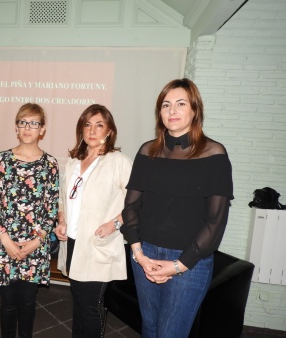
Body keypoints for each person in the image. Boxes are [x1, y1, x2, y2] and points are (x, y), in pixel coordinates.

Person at [120, 78, 233, 338]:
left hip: (189, 260)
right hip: (144, 254)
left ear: (194, 110)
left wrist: (180, 265)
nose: (172, 111)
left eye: (180, 104)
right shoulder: (147, 151)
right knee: (149, 328)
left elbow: (216, 222)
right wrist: (138, 252)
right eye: (166, 105)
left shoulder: (214, 154)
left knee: (171, 333)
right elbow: (131, 206)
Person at [55, 104, 132, 338]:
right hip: (73, 243)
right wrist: (61, 220)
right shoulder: (73, 162)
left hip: (98, 244)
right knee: (78, 304)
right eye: (87, 125)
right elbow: (63, 199)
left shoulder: (118, 161)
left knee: (89, 307)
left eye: (99, 125)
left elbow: (138, 203)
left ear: (109, 131)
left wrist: (114, 223)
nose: (92, 130)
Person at [0, 103, 59, 338]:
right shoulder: (3, 159)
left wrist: (37, 242)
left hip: (35, 246)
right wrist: (6, 240)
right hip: (5, 244)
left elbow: (51, 208)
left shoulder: (51, 164)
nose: (28, 127)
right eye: (23, 122)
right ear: (16, 127)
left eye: (34, 123)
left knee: (28, 302)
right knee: (8, 303)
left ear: (42, 129)